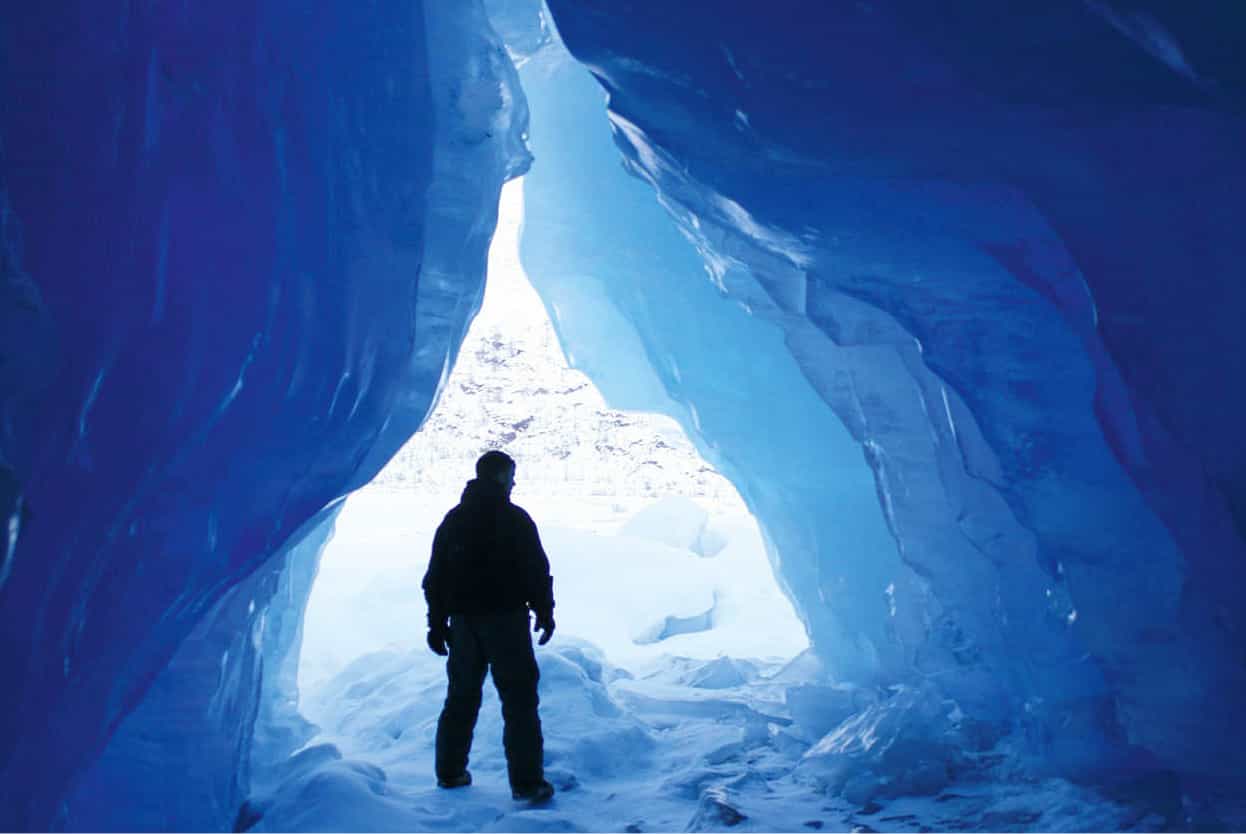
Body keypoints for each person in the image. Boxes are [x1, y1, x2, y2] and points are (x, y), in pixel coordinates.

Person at [422, 450, 557, 803]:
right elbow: (536, 571)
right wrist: (545, 611)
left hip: (464, 626)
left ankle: (450, 774)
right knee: (520, 702)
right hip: (507, 624)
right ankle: (527, 783)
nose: (515, 481)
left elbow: (435, 578)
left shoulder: (454, 520)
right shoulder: (515, 519)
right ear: (500, 477)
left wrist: (436, 624)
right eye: (511, 475)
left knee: (461, 699)